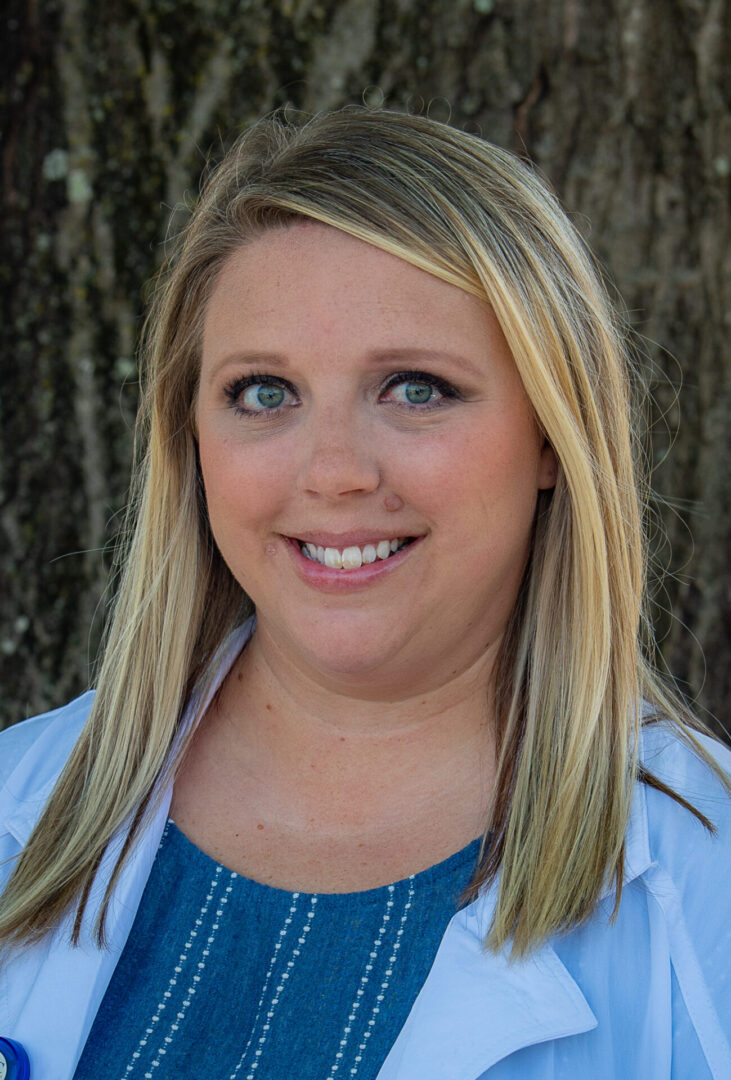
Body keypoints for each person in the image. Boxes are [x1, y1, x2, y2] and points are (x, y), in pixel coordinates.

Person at [0, 107, 729, 1080]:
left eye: (415, 388)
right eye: (264, 393)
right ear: (193, 441)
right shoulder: (17, 810)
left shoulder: (702, 875)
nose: (335, 472)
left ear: (552, 436)